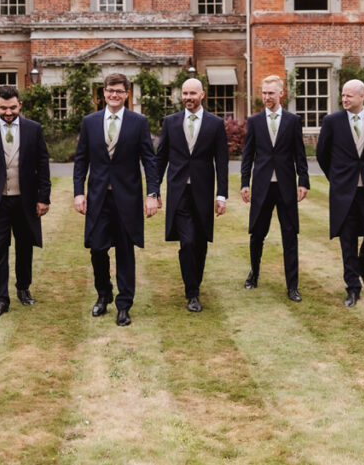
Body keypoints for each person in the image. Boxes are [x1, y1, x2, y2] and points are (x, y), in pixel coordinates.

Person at [73, 73, 159, 326]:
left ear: (127, 94)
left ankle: (124, 304)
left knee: (125, 251)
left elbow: (150, 161)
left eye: (119, 91)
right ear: (103, 92)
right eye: (110, 90)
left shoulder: (138, 122)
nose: (114, 95)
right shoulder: (90, 122)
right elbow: (81, 161)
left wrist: (152, 194)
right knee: (97, 248)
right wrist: (79, 192)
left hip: (127, 198)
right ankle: (104, 293)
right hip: (98, 197)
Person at [0, 85, 51, 319]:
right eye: (3, 108)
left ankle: (23, 288)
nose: (8, 112)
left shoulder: (33, 129)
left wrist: (43, 198)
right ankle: (0, 299)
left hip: (25, 201)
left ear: (20, 106)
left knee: (25, 247)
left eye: (12, 107)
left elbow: (43, 166)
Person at [153, 78, 229, 312]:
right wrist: (154, 190)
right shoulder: (170, 122)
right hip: (179, 192)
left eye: (192, 93)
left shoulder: (215, 124)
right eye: (185, 93)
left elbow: (222, 162)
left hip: (203, 191)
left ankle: (196, 283)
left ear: (202, 95)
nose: (188, 97)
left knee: (200, 242)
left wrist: (221, 195)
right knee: (186, 242)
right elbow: (160, 159)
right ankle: (192, 292)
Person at [316, 78, 364, 308]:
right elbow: (322, 155)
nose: (344, 99)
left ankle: (362, 265)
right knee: (347, 240)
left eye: (349, 96)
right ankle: (353, 289)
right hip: (342, 191)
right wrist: (337, 179)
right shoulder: (332, 121)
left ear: (361, 97)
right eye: (343, 95)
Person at [239, 75, 309, 302]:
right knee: (257, 233)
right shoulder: (255, 121)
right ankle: (254, 273)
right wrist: (244, 183)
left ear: (281, 93)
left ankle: (292, 286)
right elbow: (247, 156)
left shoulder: (292, 121)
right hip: (261, 186)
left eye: (271, 93)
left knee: (290, 235)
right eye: (264, 92)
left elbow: (300, 155)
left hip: (286, 186)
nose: (267, 97)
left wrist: (303, 181)